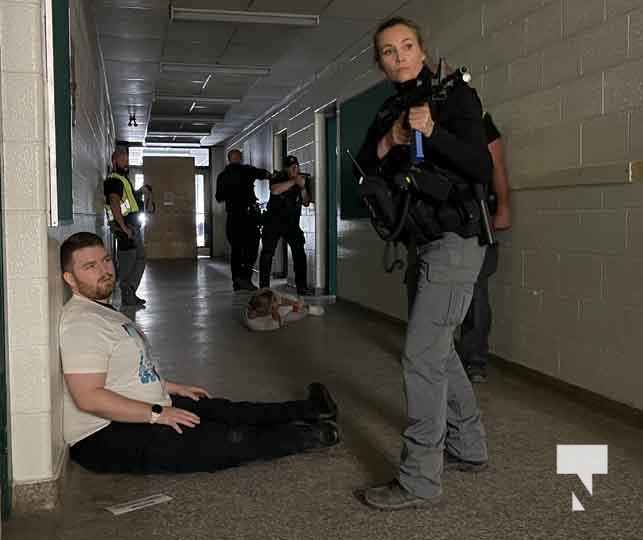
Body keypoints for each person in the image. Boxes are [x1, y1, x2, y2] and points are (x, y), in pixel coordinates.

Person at [59, 232, 340, 474]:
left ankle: (311, 409)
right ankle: (307, 436)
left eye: (106, 260)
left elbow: (126, 372)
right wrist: (157, 414)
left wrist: (169, 387)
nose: (104, 270)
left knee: (225, 410)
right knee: (225, 439)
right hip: (104, 435)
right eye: (90, 266)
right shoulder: (83, 324)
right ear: (70, 278)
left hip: (143, 405)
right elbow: (89, 397)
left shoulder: (102, 311)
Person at [354, 17, 491, 510]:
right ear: (381, 63)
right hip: (423, 241)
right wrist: (392, 138)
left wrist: (431, 131)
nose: (400, 57)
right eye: (389, 52)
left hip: (456, 238)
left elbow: (479, 165)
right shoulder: (389, 108)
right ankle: (469, 446)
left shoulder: (455, 97)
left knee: (421, 356)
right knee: (437, 350)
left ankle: (419, 481)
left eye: (407, 46)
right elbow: (364, 165)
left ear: (422, 49)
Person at [457, 112, 512, 383]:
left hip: (478, 216)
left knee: (476, 290)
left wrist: (503, 207)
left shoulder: (479, 122)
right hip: (444, 220)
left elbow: (497, 165)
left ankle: (474, 359)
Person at [215, 149, 271, 291]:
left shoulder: (222, 176)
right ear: (240, 158)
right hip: (248, 216)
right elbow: (265, 174)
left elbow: (219, 198)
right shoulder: (247, 170)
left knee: (236, 250)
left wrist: (231, 192)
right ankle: (245, 278)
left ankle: (237, 282)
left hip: (233, 217)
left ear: (229, 159)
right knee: (251, 248)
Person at [259, 156, 311, 296]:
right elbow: (275, 190)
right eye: (292, 167)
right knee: (267, 254)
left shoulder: (302, 180)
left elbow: (306, 202)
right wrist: (294, 181)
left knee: (299, 253)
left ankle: (302, 287)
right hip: (273, 222)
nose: (295, 169)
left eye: (296, 166)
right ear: (285, 168)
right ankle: (264, 287)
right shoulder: (277, 177)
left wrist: (303, 187)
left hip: (292, 223)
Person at [104, 148, 146, 307]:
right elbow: (114, 202)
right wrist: (123, 227)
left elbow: (128, 201)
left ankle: (130, 291)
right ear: (114, 161)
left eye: (127, 161)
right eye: (123, 160)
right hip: (126, 227)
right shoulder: (114, 180)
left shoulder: (123, 180)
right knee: (128, 262)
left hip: (132, 226)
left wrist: (141, 191)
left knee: (139, 258)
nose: (126, 163)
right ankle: (126, 294)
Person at [242, 288, 324, 331]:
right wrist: (275, 311)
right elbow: (277, 324)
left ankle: (301, 303)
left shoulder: (260, 297)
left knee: (290, 299)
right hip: (275, 317)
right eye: (273, 303)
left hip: (271, 308)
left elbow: (279, 299)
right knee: (292, 316)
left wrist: (294, 303)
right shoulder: (256, 325)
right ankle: (307, 309)